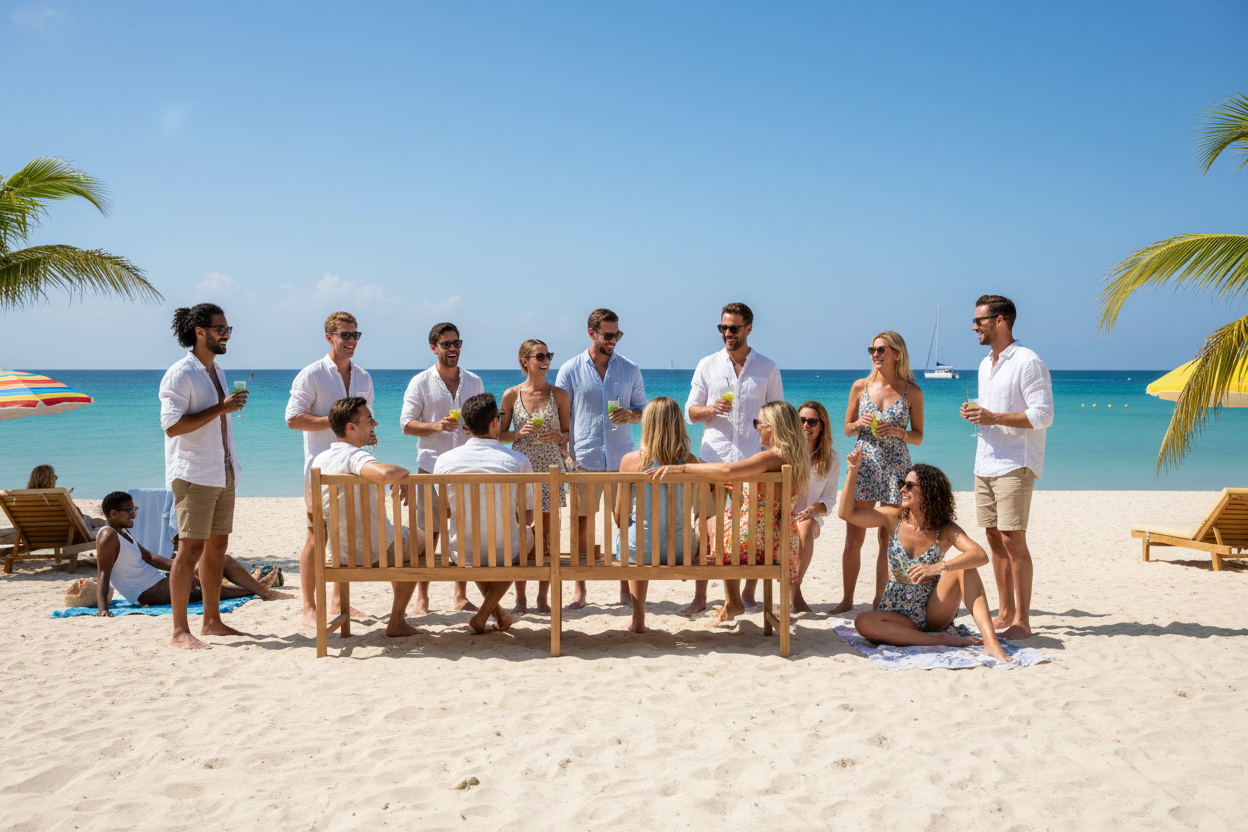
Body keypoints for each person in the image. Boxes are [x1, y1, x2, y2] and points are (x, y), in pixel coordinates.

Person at [837, 447, 1011, 662]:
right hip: (897, 613)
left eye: (909, 485)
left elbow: (980, 554)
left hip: (933, 609)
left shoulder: (944, 529)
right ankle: (940, 640)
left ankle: (991, 642)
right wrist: (852, 471)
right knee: (862, 621)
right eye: (903, 483)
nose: (902, 489)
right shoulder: (894, 518)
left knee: (965, 568)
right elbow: (846, 513)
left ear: (928, 492)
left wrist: (939, 567)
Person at [652, 400, 810, 626]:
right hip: (782, 541)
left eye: (759, 423)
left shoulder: (770, 457)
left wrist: (684, 467)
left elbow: (727, 469)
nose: (756, 427)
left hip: (757, 543)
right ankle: (731, 601)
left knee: (714, 527)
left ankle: (730, 600)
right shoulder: (793, 458)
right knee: (721, 523)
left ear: (773, 427)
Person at [961, 294, 1053, 640]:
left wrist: (994, 416)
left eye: (979, 321)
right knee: (992, 537)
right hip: (985, 459)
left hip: (1016, 461)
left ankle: (1023, 621)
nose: (974, 327)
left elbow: (1044, 415)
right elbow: (992, 409)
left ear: (1000, 321)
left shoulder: (1028, 361)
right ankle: (1005, 612)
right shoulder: (986, 364)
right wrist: (978, 414)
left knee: (1012, 539)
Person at [159, 303, 249, 651]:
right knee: (190, 549)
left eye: (228, 329)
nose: (226, 335)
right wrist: (221, 408)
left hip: (222, 470)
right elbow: (172, 427)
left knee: (217, 546)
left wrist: (225, 409)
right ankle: (179, 631)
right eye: (220, 329)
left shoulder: (217, 371)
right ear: (200, 332)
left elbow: (218, 420)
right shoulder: (180, 374)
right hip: (194, 472)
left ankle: (211, 621)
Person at [684, 302, 783, 614]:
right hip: (713, 459)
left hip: (754, 463)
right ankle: (701, 597)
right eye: (723, 328)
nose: (727, 333)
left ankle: (747, 595)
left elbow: (778, 416)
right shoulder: (707, 365)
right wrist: (710, 409)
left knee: (750, 531)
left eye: (734, 328)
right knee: (705, 527)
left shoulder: (767, 368)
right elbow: (689, 412)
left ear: (749, 329)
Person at [285, 311, 374, 628]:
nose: (351, 341)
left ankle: (338, 601)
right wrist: (334, 421)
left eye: (355, 335)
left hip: (354, 465)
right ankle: (309, 606)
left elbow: (364, 420)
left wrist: (368, 434)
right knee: (316, 535)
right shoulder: (311, 375)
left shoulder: (363, 377)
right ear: (330, 338)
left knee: (345, 534)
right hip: (321, 468)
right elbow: (293, 419)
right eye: (345, 335)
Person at [554, 308, 646, 610]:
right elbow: (561, 421)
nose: (613, 340)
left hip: (622, 460)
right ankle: (580, 591)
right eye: (608, 335)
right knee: (581, 526)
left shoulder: (630, 369)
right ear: (591, 333)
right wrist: (565, 458)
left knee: (625, 524)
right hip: (584, 461)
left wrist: (631, 415)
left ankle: (625, 589)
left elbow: (645, 412)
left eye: (617, 334)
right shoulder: (569, 370)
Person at [311, 397, 421, 638]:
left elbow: (312, 512)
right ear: (351, 428)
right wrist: (404, 474)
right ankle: (397, 620)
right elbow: (384, 474)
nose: (375, 424)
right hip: (375, 552)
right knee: (419, 539)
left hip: (340, 553)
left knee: (405, 539)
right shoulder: (355, 457)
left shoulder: (319, 461)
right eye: (369, 420)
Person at [835, 330, 925, 616]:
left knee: (888, 537)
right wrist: (858, 423)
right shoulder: (860, 386)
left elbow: (919, 436)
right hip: (864, 463)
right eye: (873, 350)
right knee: (853, 536)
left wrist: (898, 431)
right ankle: (847, 599)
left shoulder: (912, 391)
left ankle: (878, 601)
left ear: (896, 353)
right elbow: (847, 429)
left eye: (882, 350)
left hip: (897, 466)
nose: (876, 354)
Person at [433, 393, 535, 635]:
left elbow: (445, 513)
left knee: (476, 545)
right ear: (495, 422)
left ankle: (497, 614)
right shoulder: (517, 461)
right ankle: (482, 615)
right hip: (505, 549)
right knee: (525, 537)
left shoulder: (445, 461)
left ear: (466, 428)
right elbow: (528, 519)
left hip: (461, 551)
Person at [400, 322, 484, 615]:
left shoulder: (473, 381)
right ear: (433, 347)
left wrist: (477, 429)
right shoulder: (420, 382)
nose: (453, 349)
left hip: (466, 466)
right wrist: (435, 426)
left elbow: (482, 422)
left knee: (462, 531)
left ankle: (459, 596)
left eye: (457, 343)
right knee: (428, 533)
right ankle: (422, 598)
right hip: (430, 467)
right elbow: (406, 424)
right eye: (446, 344)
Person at [93, 491, 289, 616]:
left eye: (134, 509)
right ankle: (260, 589)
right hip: (145, 592)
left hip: (159, 582)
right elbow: (103, 573)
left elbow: (150, 558)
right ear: (113, 513)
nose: (134, 514)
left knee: (221, 561)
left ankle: (258, 587)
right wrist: (103, 609)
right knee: (205, 587)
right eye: (129, 511)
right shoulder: (107, 536)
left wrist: (185, 567)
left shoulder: (124, 533)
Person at [613, 397, 700, 634]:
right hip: (682, 549)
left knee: (637, 539)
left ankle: (638, 619)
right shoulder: (690, 461)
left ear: (647, 425)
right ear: (678, 424)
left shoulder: (630, 461)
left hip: (638, 549)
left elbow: (620, 517)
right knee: (649, 537)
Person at [499, 339, 570, 614]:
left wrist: (558, 437)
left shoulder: (559, 395)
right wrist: (517, 434)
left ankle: (542, 597)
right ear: (524, 361)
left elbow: (568, 433)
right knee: (521, 534)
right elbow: (498, 435)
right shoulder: (510, 395)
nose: (546, 360)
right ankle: (520, 598)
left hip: (550, 469)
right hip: (522, 468)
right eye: (540, 355)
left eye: (548, 355)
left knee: (547, 535)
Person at [791, 402, 840, 613]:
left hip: (811, 520)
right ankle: (794, 594)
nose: (806, 426)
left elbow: (830, 499)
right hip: (781, 517)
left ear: (822, 426)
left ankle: (794, 586)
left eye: (812, 421)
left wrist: (815, 508)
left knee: (806, 525)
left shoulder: (831, 458)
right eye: (801, 420)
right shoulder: (787, 453)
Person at [26, 464, 105, 529]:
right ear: (46, 480)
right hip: (64, 532)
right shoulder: (57, 497)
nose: (56, 478)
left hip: (36, 533)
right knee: (103, 523)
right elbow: (76, 516)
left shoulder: (25, 500)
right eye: (53, 476)